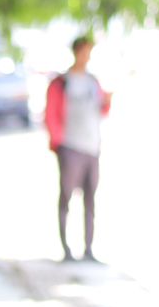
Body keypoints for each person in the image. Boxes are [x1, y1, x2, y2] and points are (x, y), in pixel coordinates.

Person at [44, 34, 111, 262]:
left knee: (90, 198)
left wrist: (107, 102)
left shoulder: (93, 81)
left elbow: (101, 110)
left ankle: (88, 248)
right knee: (66, 196)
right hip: (70, 145)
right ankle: (66, 248)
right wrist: (59, 142)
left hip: (92, 146)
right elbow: (51, 114)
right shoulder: (62, 83)